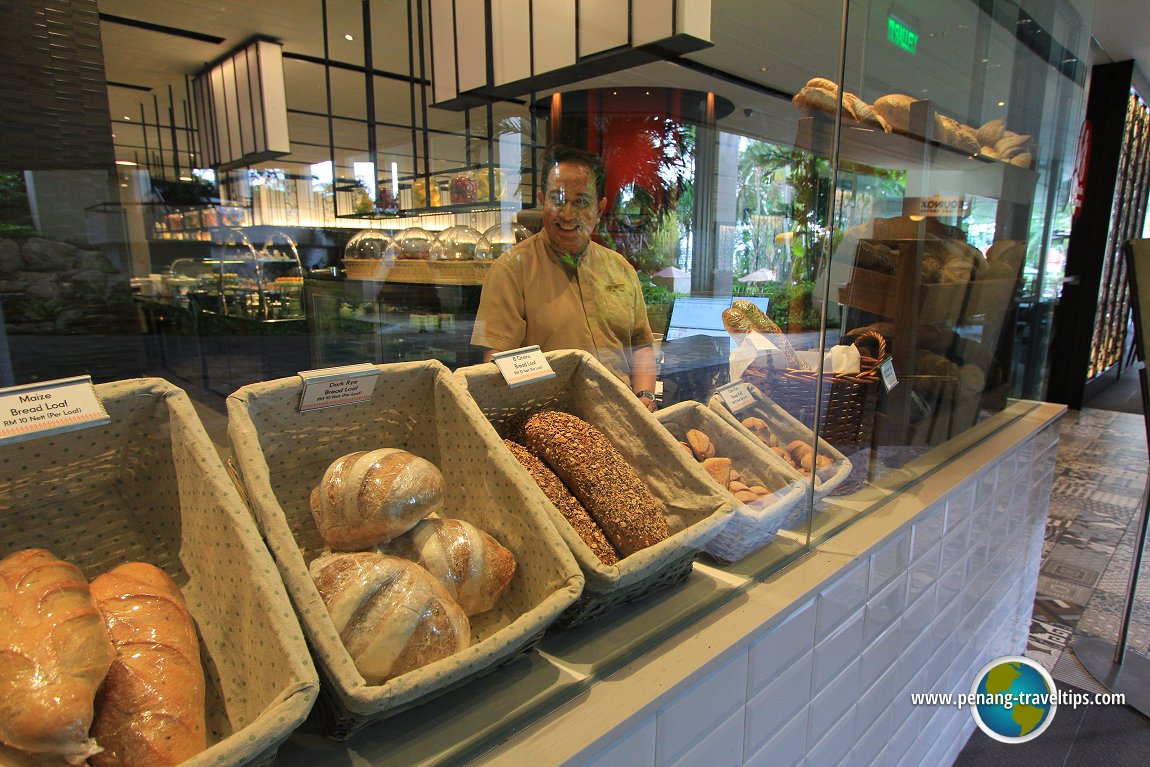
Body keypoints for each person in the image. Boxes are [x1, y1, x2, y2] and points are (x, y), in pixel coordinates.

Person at [471, 145, 658, 411]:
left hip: (624, 411)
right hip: (551, 421)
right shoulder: (511, 268)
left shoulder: (621, 268)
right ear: (541, 199)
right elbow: (496, 359)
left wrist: (646, 395)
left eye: (581, 201)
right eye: (557, 199)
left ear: (600, 209)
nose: (567, 214)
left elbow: (640, 345)